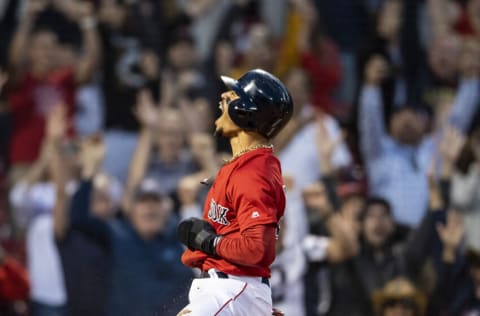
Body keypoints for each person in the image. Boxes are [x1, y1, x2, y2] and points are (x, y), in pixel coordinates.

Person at [176, 68, 293, 316]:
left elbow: (257, 249)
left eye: (232, 96)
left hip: (232, 289)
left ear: (248, 112)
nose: (222, 99)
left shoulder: (253, 172)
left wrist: (210, 242)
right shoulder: (244, 165)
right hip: (230, 291)